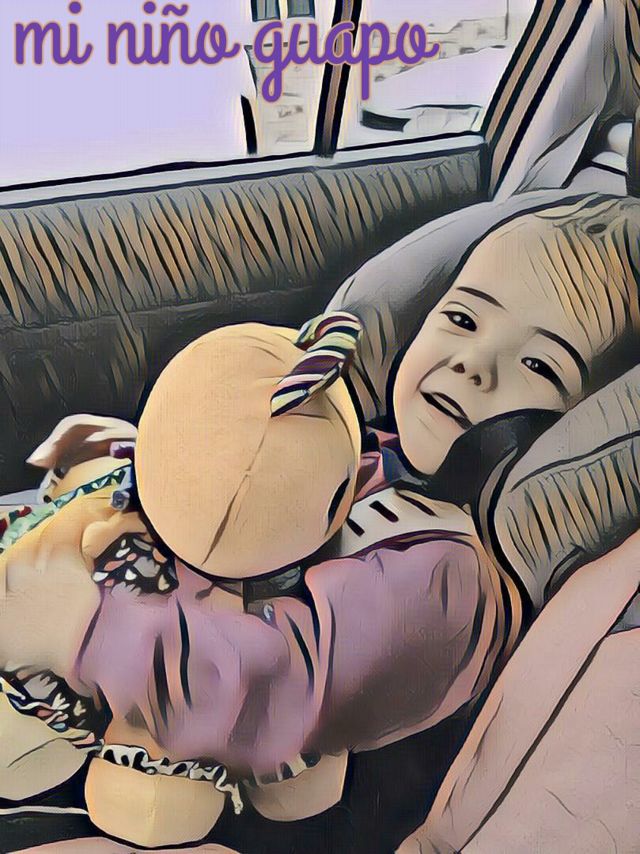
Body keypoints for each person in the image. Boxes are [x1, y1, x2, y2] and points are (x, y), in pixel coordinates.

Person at [15, 193, 640, 852]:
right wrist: (139, 469)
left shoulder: (448, 582)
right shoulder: (364, 455)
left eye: (540, 366)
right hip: (134, 713)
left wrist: (75, 623)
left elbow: (263, 686)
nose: (472, 364)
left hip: (234, 806)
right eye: (461, 319)